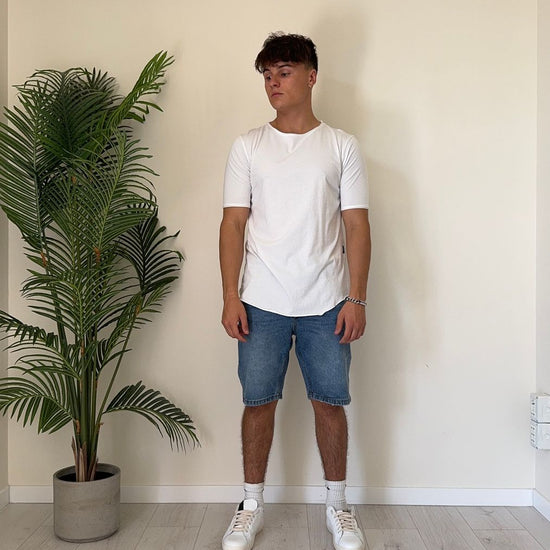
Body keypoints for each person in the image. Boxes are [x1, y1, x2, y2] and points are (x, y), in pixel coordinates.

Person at [219, 32, 371, 550]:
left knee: (329, 402)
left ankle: (338, 507)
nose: (273, 83)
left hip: (327, 301)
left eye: (283, 72)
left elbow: (357, 226)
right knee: (258, 402)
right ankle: (250, 506)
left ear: (311, 76)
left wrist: (356, 297)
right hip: (260, 300)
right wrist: (230, 295)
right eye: (267, 74)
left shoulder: (341, 145)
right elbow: (233, 224)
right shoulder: (247, 146)